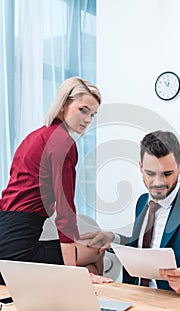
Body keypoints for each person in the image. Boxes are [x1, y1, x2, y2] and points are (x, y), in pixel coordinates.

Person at [81, 130, 180, 298]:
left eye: (167, 174)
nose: (158, 183)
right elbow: (148, 249)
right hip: (134, 301)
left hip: (175, 309)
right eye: (150, 174)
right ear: (140, 167)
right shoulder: (142, 202)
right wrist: (114, 240)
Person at [0, 76, 112, 285]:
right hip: (18, 254)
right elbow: (65, 211)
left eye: (93, 114)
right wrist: (72, 272)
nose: (88, 119)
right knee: (97, 249)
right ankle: (88, 303)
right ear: (63, 105)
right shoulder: (63, 143)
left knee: (90, 247)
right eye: (83, 110)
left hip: (4, 239)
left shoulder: (35, 135)